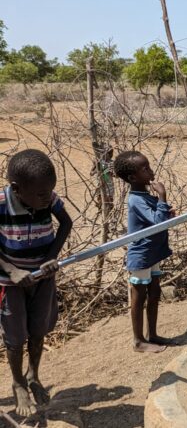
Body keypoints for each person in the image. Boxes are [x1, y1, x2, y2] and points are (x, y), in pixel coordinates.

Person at [0, 149, 73, 416]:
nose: (47, 198)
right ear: (17, 189)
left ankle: (33, 375)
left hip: (43, 277)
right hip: (10, 283)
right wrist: (11, 270)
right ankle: (18, 383)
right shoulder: (0, 203)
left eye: (50, 192)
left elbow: (66, 223)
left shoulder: (47, 198)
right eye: (41, 194)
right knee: (15, 337)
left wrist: (52, 257)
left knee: (38, 329)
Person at [114, 150, 175, 353]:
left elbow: (159, 218)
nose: (150, 171)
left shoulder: (144, 196)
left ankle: (153, 335)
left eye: (148, 166)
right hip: (141, 255)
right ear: (132, 178)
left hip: (153, 252)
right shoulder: (136, 199)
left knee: (155, 292)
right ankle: (138, 340)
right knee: (139, 297)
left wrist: (166, 209)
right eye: (145, 168)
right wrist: (162, 196)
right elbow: (157, 223)